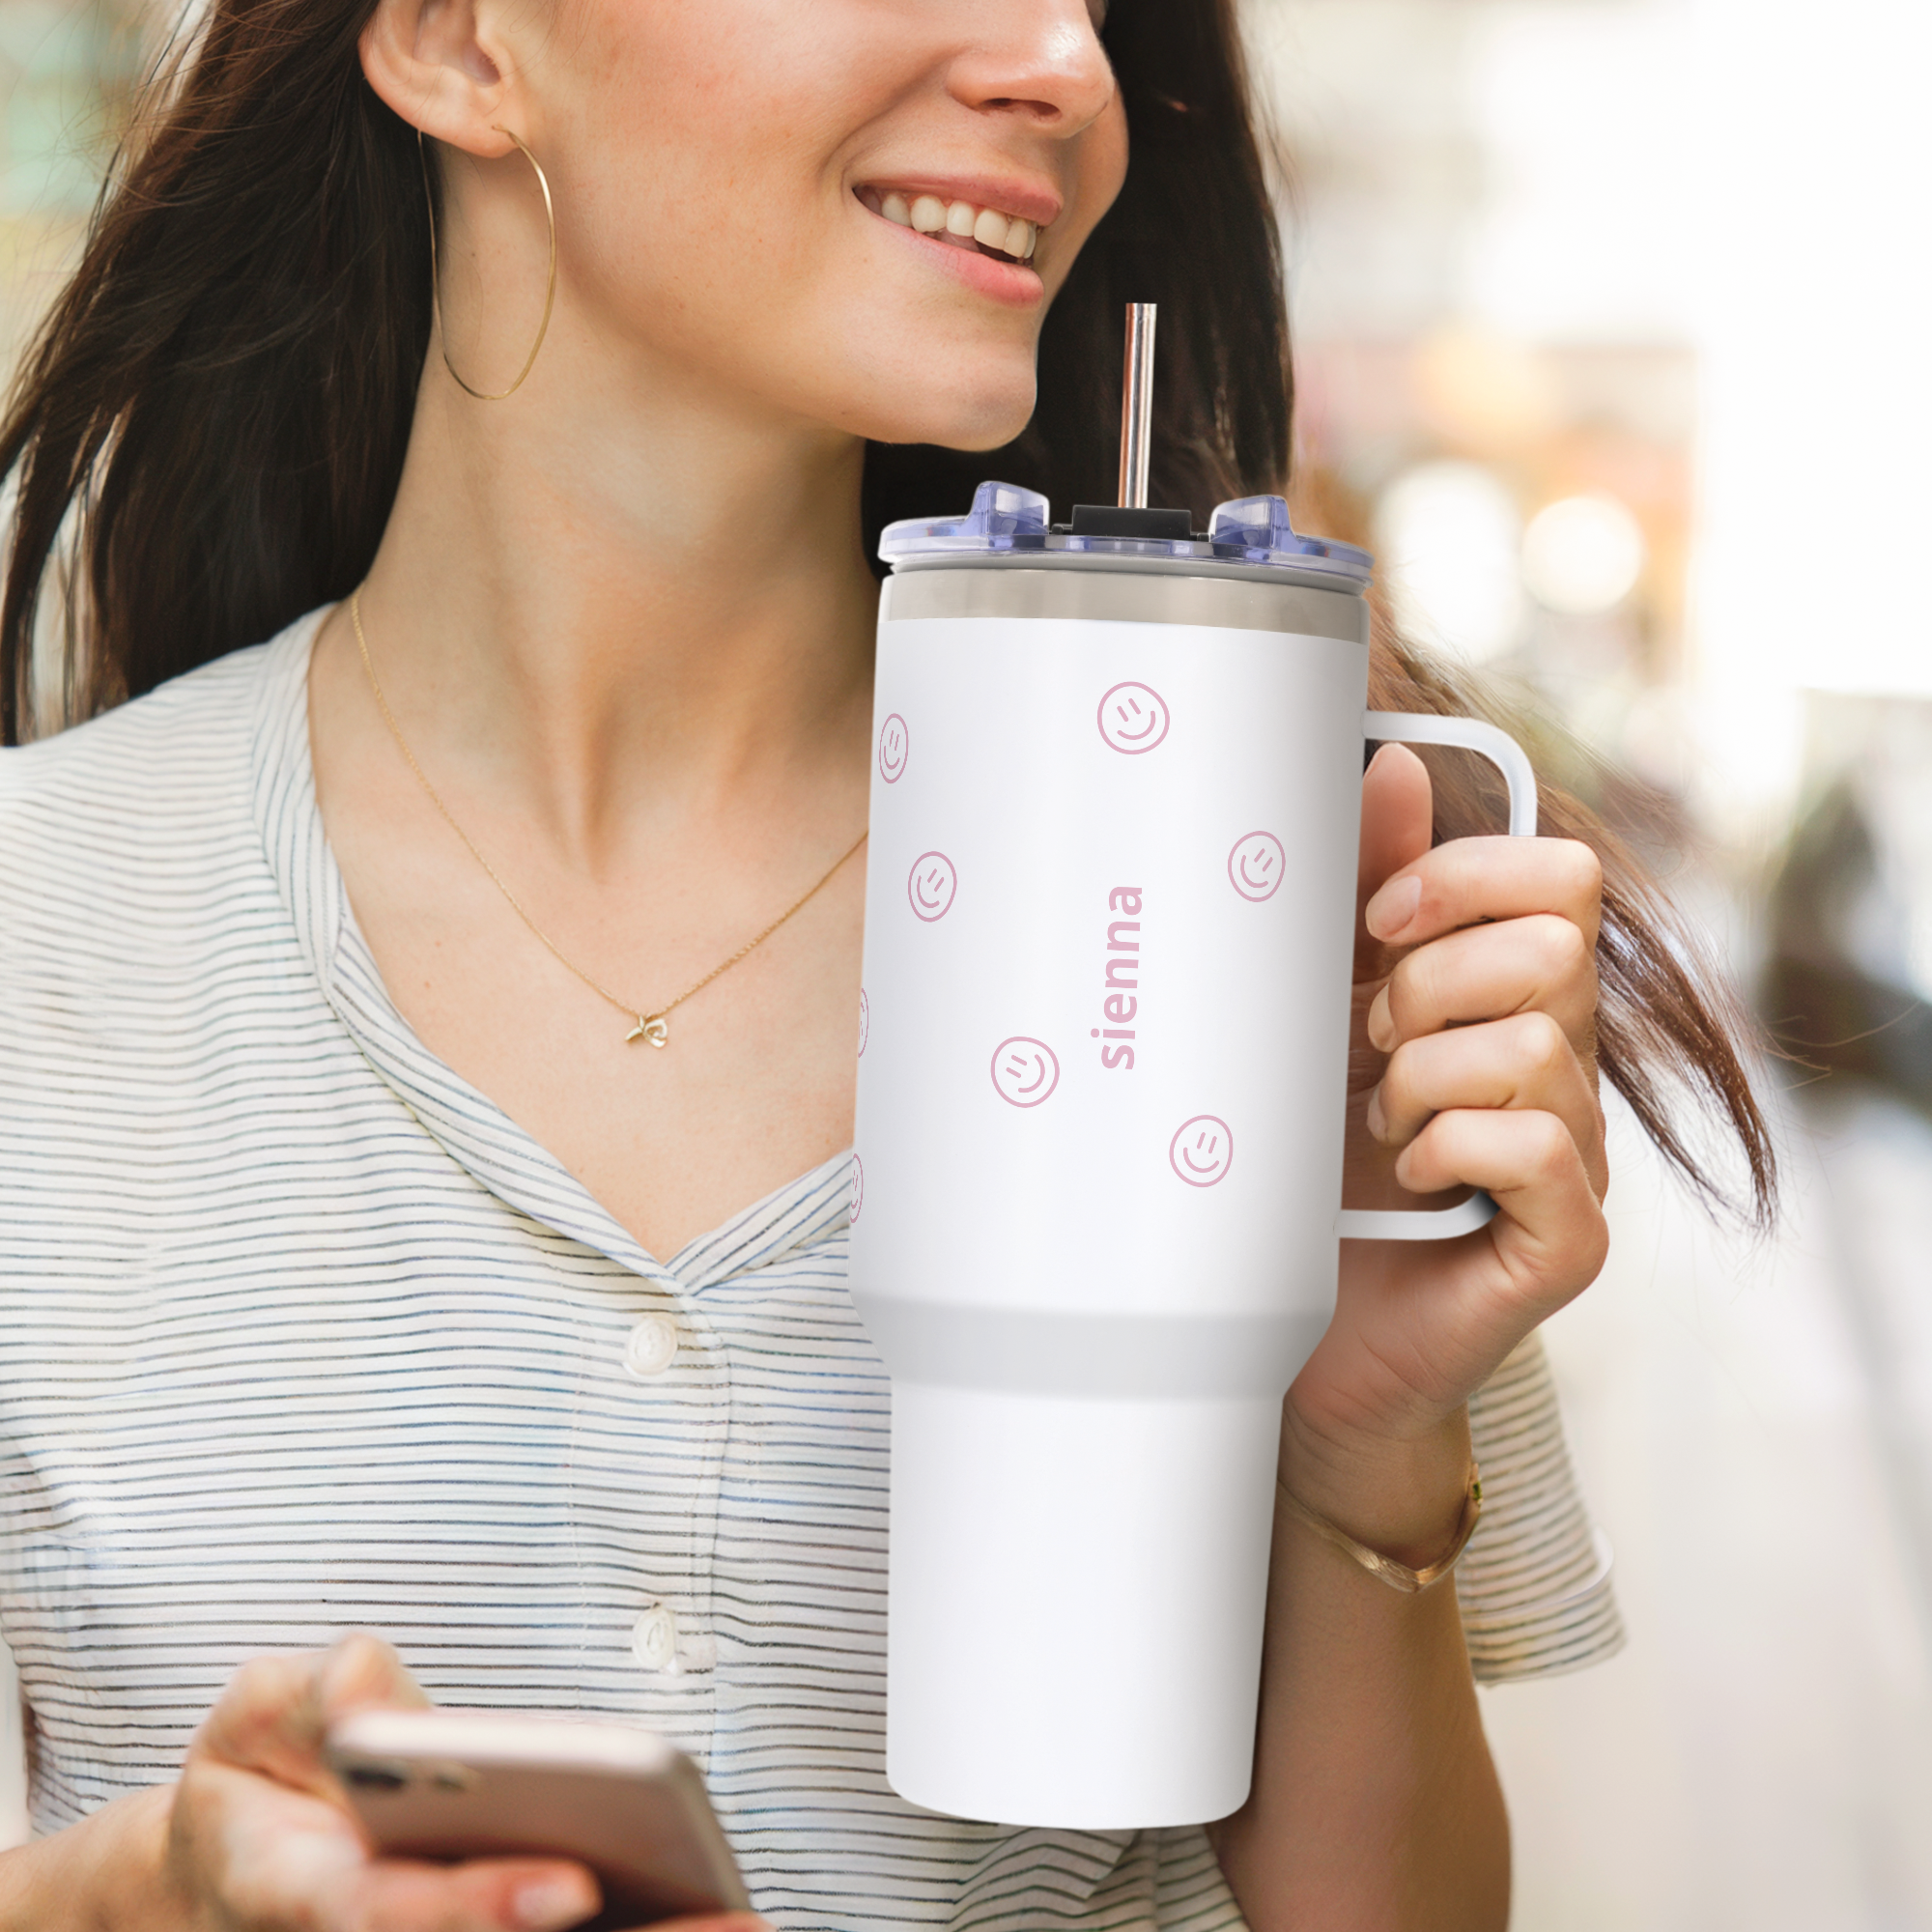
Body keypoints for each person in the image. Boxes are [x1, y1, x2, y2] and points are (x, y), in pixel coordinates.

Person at [0, 1, 1774, 1927]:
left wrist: (1353, 1443)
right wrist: (138, 1895)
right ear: (456, 42)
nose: (1066, 69)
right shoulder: (49, 930)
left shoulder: (1219, 893)